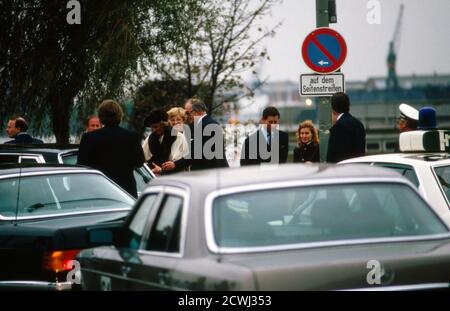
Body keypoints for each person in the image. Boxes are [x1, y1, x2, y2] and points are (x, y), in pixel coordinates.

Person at [77, 99, 144, 198]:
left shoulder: (89, 138)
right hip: (126, 191)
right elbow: (139, 162)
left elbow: (81, 165)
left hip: (98, 191)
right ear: (120, 115)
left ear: (101, 117)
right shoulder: (132, 137)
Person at [161, 100, 229, 172]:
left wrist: (175, 164)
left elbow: (198, 154)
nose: (186, 116)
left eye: (187, 112)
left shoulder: (209, 125)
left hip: (213, 174)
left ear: (197, 111)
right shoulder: (200, 125)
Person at [141, 109, 188, 175]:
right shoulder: (151, 137)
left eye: (156, 127)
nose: (154, 130)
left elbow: (179, 164)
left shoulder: (178, 137)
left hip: (173, 177)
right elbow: (143, 156)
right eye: (152, 127)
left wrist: (162, 170)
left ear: (164, 124)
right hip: (153, 175)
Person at [326, 92, 366, 163]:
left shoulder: (338, 127)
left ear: (333, 110)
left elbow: (332, 156)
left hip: (343, 170)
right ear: (348, 107)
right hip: (359, 167)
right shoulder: (359, 124)